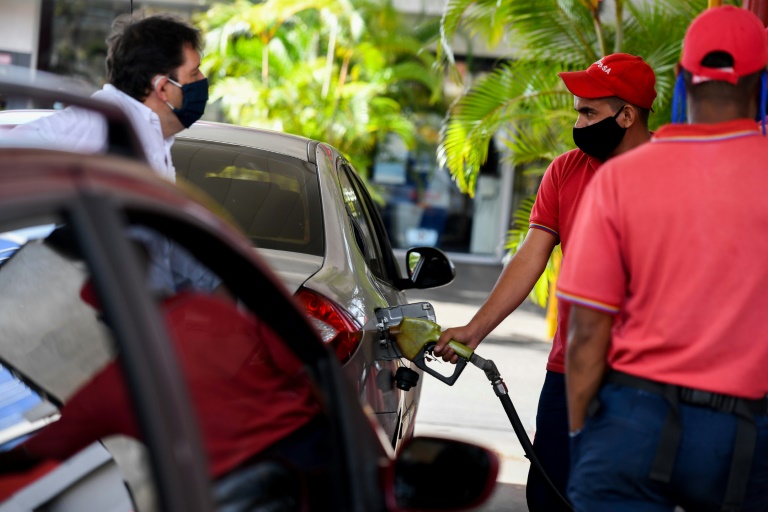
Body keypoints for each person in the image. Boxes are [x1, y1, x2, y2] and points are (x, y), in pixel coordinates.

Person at [557, 6, 768, 511]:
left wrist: (586, 434)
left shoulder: (622, 178)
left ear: (680, 79)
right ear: (760, 82)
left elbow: (586, 331)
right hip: (746, 436)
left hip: (633, 421)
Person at [434, 53, 657, 511]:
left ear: (627, 114)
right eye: (578, 110)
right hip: (569, 370)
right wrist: (473, 331)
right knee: (549, 497)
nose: (578, 122)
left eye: (589, 112)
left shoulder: (672, 174)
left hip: (645, 378)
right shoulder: (566, 171)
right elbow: (531, 255)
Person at [0, 242, 332, 511]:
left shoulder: (112, 388)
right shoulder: (208, 310)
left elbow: (32, 454)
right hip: (316, 458)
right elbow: (307, 369)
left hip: (242, 489)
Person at [12, 12, 208, 181]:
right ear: (163, 88)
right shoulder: (99, 122)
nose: (203, 79)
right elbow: (12, 151)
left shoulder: (149, 132)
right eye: (194, 72)